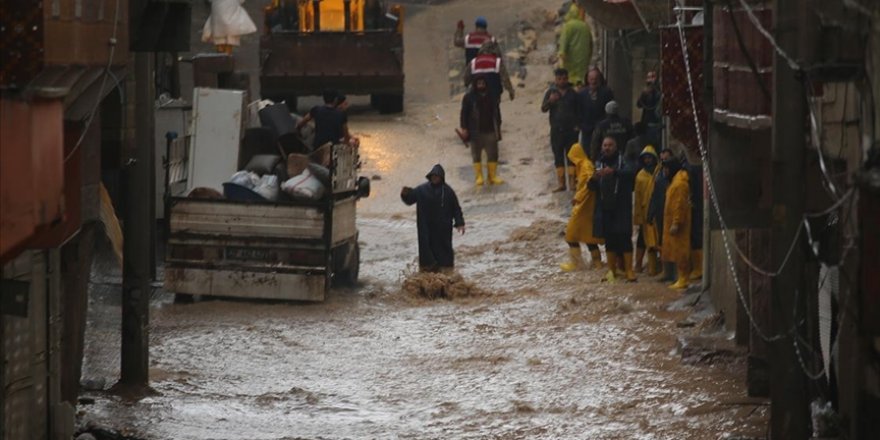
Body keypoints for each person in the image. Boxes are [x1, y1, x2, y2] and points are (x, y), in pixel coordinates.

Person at [400, 165, 466, 272]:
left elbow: (456, 209)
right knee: (427, 257)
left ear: (442, 177)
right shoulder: (422, 190)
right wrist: (405, 194)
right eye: (433, 176)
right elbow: (410, 199)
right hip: (426, 229)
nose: (435, 178)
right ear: (430, 177)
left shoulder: (448, 192)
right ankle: (427, 278)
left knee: (445, 258)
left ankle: (448, 277)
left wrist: (460, 223)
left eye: (437, 176)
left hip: (443, 230)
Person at [589, 136, 637, 283]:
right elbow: (590, 187)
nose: (607, 148)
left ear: (615, 147)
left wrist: (614, 172)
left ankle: (629, 270)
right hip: (605, 207)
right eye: (604, 145)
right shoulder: (598, 163)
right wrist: (595, 178)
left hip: (622, 206)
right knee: (610, 240)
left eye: (610, 145)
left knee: (624, 238)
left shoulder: (624, 161)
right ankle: (612, 271)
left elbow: (631, 173)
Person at [560, 143, 604, 271]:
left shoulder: (586, 166)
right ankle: (597, 264)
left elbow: (590, 183)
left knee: (570, 235)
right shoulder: (583, 166)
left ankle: (577, 264)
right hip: (586, 206)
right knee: (588, 236)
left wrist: (578, 196)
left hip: (585, 206)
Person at [541, 68, 579, 192]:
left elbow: (579, 110)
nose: (562, 81)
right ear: (555, 79)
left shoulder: (573, 93)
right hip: (556, 130)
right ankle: (561, 183)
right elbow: (543, 109)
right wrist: (550, 101)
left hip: (571, 131)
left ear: (567, 79)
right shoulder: (551, 92)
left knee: (571, 156)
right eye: (559, 79)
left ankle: (572, 182)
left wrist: (577, 126)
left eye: (564, 78)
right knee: (558, 156)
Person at [460, 76, 503, 185]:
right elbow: (463, 114)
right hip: (475, 131)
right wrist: (464, 128)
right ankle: (479, 177)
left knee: (493, 154)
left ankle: (492, 176)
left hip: (490, 130)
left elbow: (497, 113)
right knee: (476, 155)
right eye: (478, 83)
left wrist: (498, 128)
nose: (481, 86)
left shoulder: (492, 96)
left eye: (482, 83)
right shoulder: (469, 98)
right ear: (475, 85)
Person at [463, 40, 515, 128]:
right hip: (494, 94)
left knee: (467, 108)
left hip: (476, 94)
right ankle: (497, 130)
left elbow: (466, 79)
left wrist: (467, 84)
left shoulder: (474, 62)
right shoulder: (497, 62)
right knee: (496, 110)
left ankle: (465, 128)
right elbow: (505, 79)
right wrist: (511, 91)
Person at [661, 155, 692, 290]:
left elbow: (679, 204)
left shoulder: (679, 183)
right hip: (673, 221)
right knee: (677, 249)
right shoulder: (675, 181)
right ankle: (681, 277)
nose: (665, 172)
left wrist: (676, 222)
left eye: (666, 169)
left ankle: (684, 278)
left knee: (681, 250)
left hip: (679, 223)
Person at [633, 145, 661, 275]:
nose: (648, 160)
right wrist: (637, 217)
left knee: (658, 239)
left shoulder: (660, 172)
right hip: (645, 212)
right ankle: (639, 265)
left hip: (659, 211)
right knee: (643, 240)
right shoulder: (640, 176)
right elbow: (637, 198)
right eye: (645, 158)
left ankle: (657, 268)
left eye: (650, 158)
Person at [649, 148, 675, 281]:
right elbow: (654, 196)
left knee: (674, 244)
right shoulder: (659, 175)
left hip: (672, 216)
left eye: (666, 159)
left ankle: (675, 273)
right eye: (662, 159)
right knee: (662, 243)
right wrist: (650, 213)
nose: (664, 163)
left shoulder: (676, 178)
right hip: (660, 214)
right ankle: (666, 271)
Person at [576, 67, 614, 149]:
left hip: (602, 129)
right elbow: (578, 111)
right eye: (591, 79)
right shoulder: (582, 94)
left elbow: (610, 110)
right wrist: (581, 125)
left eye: (596, 79)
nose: (593, 81)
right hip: (587, 130)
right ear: (588, 79)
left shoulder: (607, 92)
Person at [557, 4, 592, 88]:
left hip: (570, 70)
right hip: (583, 69)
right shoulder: (586, 27)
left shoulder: (568, 26)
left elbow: (563, 47)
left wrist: (561, 68)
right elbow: (591, 47)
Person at [636, 70, 662, 146]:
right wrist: (643, 94)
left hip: (657, 121)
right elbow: (639, 105)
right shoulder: (646, 91)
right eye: (648, 77)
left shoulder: (659, 90)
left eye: (653, 77)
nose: (650, 79)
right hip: (648, 122)